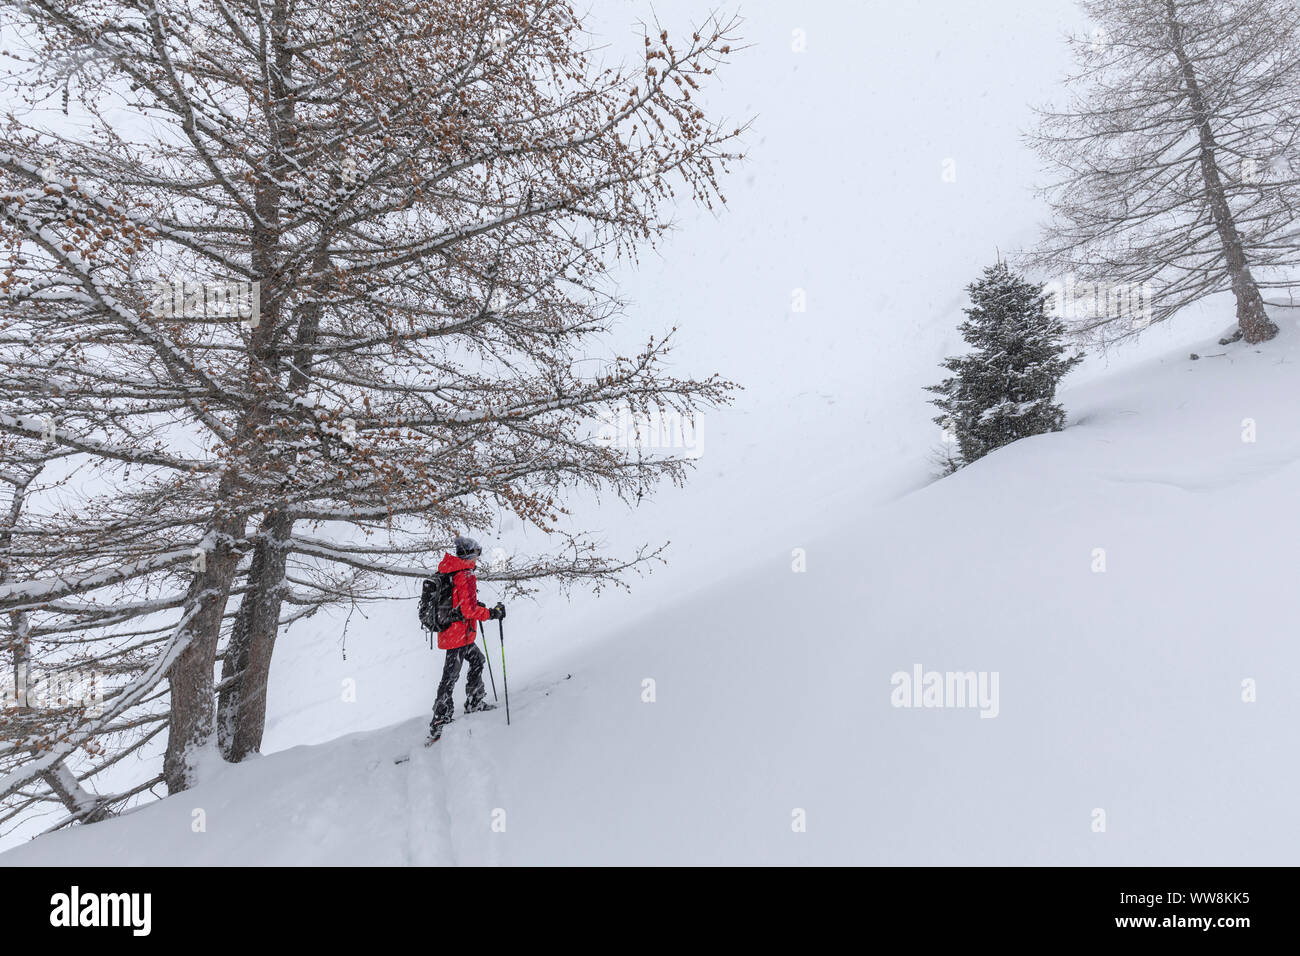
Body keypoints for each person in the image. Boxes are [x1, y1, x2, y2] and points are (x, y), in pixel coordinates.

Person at [429, 535, 505, 741]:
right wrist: (492, 613)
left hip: (456, 632)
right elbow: (469, 610)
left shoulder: (451, 571)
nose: (478, 558)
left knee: (477, 660)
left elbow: (463, 603)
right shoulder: (465, 574)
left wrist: (479, 607)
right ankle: (440, 719)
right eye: (477, 553)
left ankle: (474, 701)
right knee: (450, 676)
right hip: (458, 634)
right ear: (471, 554)